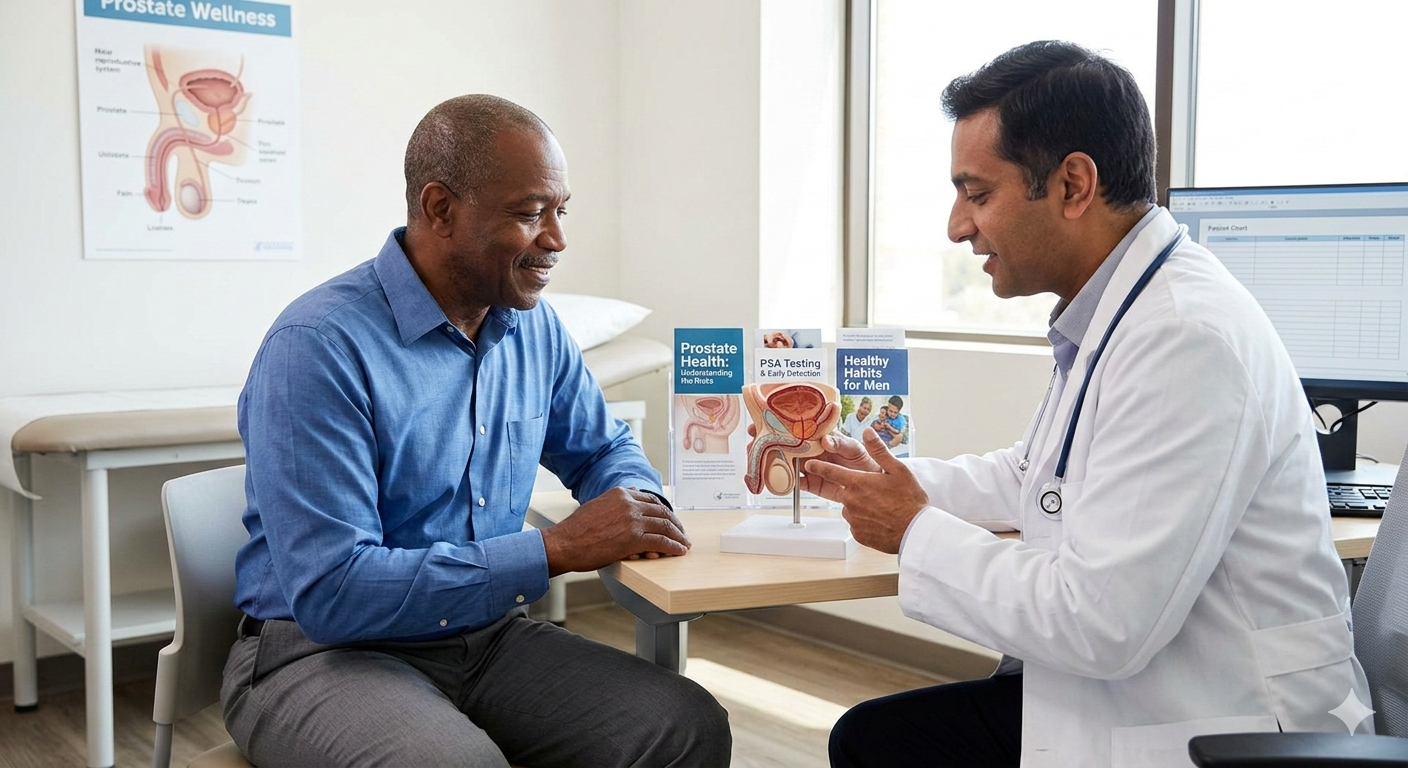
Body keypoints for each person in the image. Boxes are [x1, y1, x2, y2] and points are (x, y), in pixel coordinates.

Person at [804, 41, 1370, 768]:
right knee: (877, 739)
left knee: (880, 744)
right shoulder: (1121, 311)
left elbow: (1102, 623)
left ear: (1073, 185)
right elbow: (1036, 477)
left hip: (1231, 729)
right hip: (1149, 694)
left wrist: (912, 527)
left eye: (977, 194)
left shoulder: (1184, 337)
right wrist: (881, 483)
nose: (956, 226)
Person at [221, 94, 731, 767]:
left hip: (485, 638)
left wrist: (638, 506)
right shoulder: (317, 347)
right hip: (322, 654)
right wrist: (553, 550)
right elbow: (334, 592)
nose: (556, 239)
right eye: (529, 213)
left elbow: (604, 449)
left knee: (683, 724)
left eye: (561, 211)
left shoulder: (535, 329)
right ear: (439, 209)